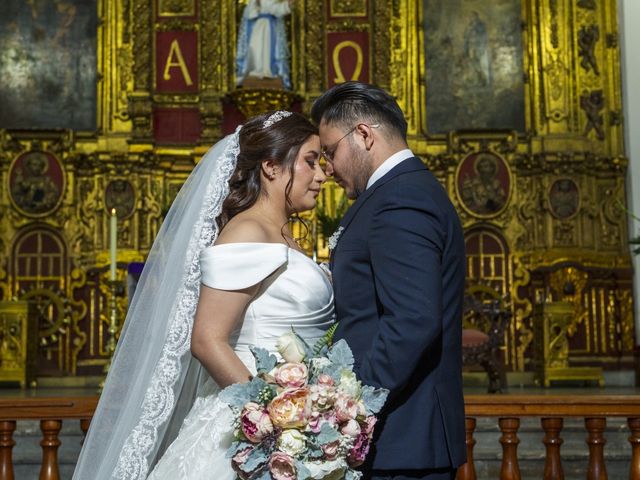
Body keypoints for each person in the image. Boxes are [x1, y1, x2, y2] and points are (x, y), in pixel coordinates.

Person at [73, 110, 331, 479]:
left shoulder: (279, 232)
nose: (322, 175)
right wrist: (273, 418)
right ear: (271, 167)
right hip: (254, 425)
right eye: (310, 162)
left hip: (296, 421)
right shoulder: (248, 233)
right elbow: (208, 340)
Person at [311, 81, 467, 480]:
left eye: (330, 152)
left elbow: (413, 320)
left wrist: (350, 403)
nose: (328, 170)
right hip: (398, 438)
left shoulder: (400, 198)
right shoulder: (396, 193)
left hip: (403, 439)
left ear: (363, 135)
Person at [236, 0, 292, 89]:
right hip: (257, 26)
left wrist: (287, 5)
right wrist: (256, 6)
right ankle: (255, 70)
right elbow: (249, 13)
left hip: (270, 26)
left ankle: (267, 71)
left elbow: (277, 9)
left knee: (267, 49)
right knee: (254, 48)